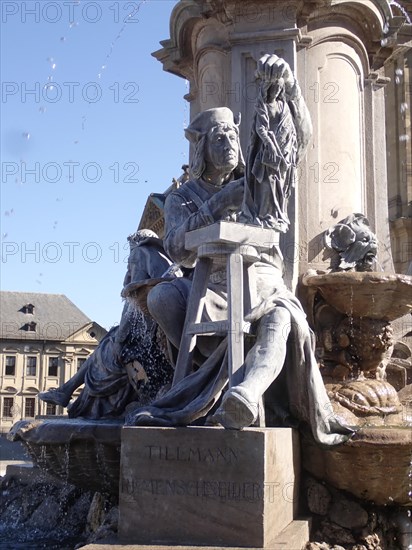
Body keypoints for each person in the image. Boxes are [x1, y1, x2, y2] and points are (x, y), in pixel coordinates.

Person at [127, 55, 353, 446]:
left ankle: (245, 393)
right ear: (202, 148)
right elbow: (178, 248)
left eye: (233, 134)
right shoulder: (182, 198)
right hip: (210, 287)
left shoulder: (258, 182)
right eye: (219, 137)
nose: (230, 142)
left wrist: (290, 88)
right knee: (164, 294)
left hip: (259, 283)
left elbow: (297, 143)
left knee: (283, 316)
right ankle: (208, 379)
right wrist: (218, 205)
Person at [38, 230, 175, 419]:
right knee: (107, 342)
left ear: (137, 243)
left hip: (149, 333)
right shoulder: (163, 257)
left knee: (107, 350)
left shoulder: (140, 254)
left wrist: (120, 338)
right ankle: (66, 390)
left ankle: (67, 392)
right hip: (158, 329)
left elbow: (133, 298)